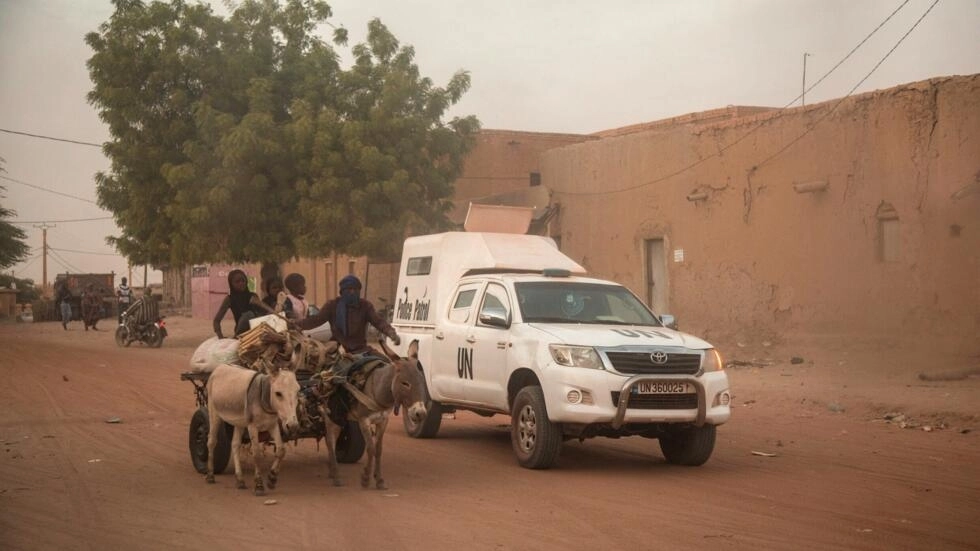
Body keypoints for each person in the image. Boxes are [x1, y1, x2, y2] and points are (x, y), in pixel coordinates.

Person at [297, 275, 399, 355]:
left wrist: (391, 333)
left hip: (360, 349)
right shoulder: (332, 305)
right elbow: (316, 320)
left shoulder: (365, 306)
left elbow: (378, 322)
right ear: (342, 292)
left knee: (384, 364)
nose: (353, 292)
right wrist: (297, 324)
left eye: (356, 290)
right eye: (349, 290)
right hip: (336, 348)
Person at [212, 269, 275, 339]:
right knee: (248, 315)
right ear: (231, 284)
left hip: (256, 329)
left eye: (243, 280)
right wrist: (220, 337)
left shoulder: (253, 296)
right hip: (241, 332)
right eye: (237, 282)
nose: (241, 283)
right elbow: (216, 321)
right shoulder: (229, 299)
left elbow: (261, 313)